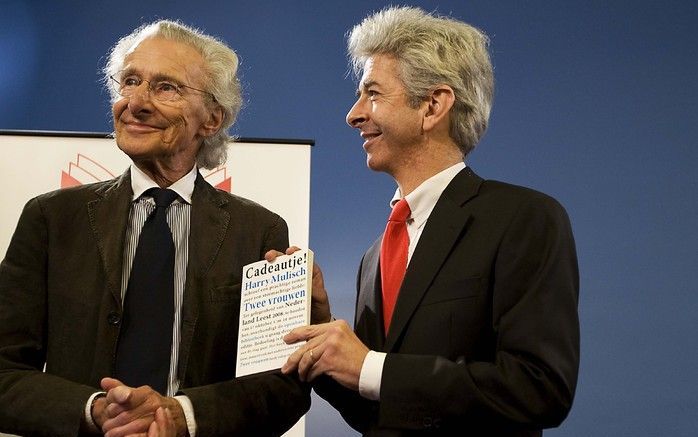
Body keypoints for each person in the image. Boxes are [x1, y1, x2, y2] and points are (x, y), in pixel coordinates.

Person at [277, 6, 579, 436]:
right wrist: (321, 335)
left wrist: (370, 366)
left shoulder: (524, 220)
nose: (354, 114)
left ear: (433, 106)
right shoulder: (374, 255)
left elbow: (539, 388)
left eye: (373, 94)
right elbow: (376, 411)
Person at [0, 20, 309, 436]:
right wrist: (95, 411)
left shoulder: (258, 231)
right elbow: (3, 371)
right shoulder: (51, 219)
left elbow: (281, 386)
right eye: (129, 81)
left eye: (166, 87)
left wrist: (184, 415)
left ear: (212, 119)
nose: (137, 102)